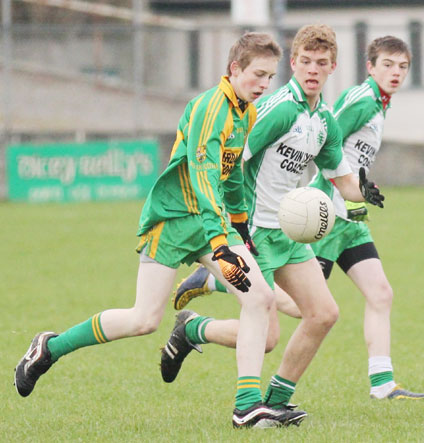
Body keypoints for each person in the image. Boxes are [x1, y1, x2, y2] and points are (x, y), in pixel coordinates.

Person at [14, 32, 308, 429]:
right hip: (173, 221)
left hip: (211, 225)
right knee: (143, 319)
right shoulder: (211, 108)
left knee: (259, 298)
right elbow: (204, 177)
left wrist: (239, 225)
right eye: (257, 74)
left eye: (269, 77)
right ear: (234, 69)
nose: (263, 84)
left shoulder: (247, 113)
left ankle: (246, 406)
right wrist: (223, 243)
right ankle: (49, 348)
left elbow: (231, 175)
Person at [173, 35, 424, 401]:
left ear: (333, 67)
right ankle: (198, 330)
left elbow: (340, 176)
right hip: (260, 230)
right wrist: (231, 220)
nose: (314, 69)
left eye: (322, 62)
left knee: (324, 313)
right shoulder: (280, 109)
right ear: (293, 62)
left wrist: (362, 191)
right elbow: (233, 157)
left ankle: (279, 400)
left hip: (291, 229)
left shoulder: (323, 117)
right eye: (307, 60)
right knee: (268, 337)